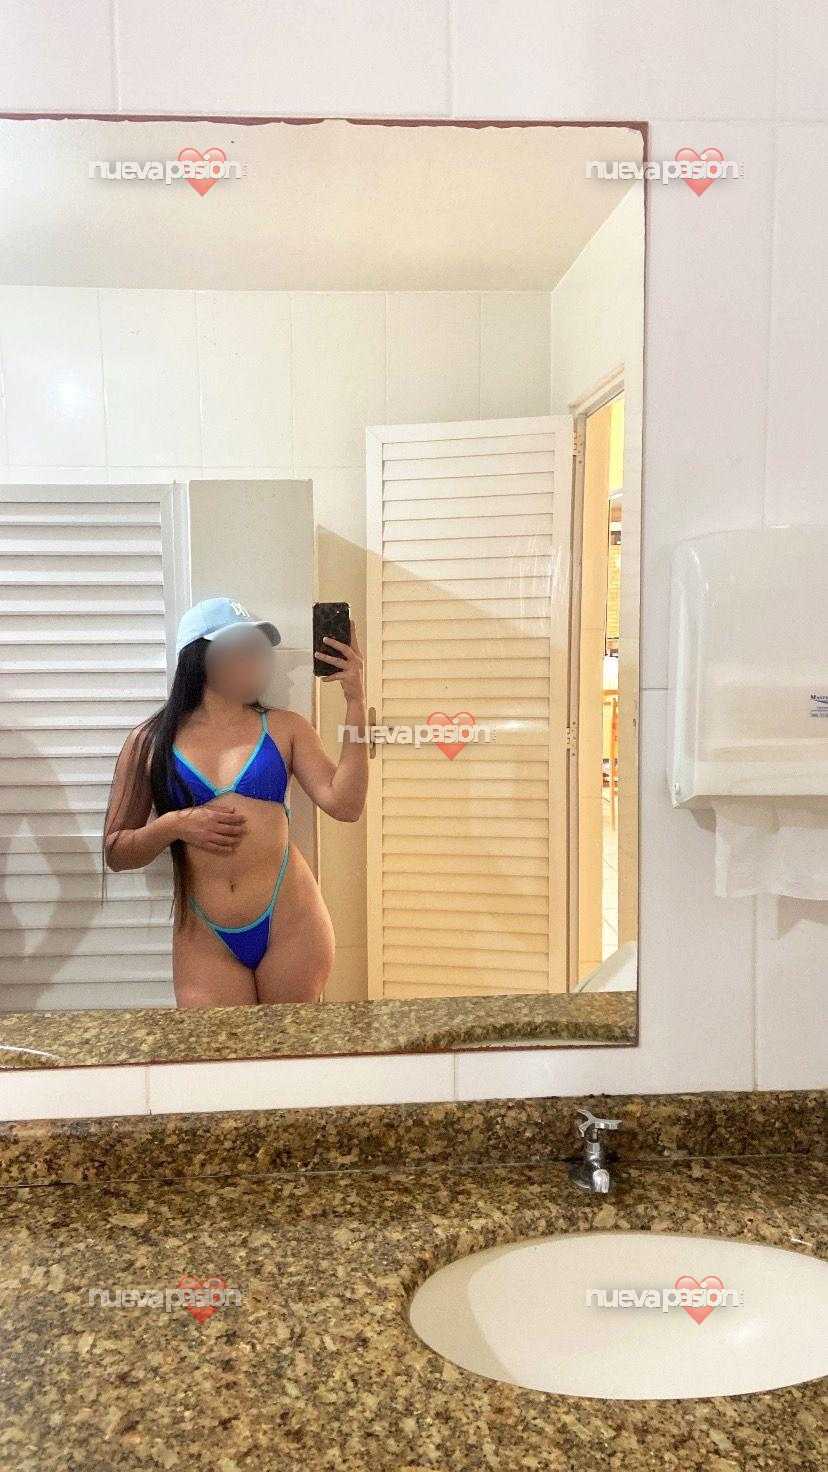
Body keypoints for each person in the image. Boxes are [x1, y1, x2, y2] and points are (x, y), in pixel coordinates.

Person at [103, 597, 368, 1007]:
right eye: (241, 651)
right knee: (219, 1048)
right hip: (205, 935)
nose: (257, 663)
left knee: (293, 1044)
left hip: (291, 923)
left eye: (258, 651)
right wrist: (174, 825)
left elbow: (346, 805)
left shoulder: (285, 727)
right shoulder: (150, 742)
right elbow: (117, 852)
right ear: (199, 659)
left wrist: (355, 702)